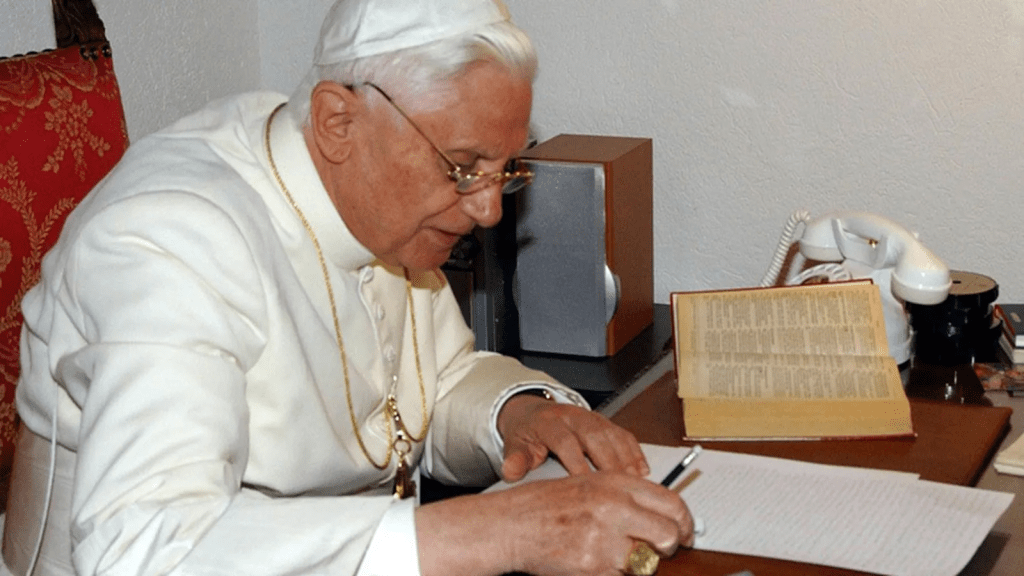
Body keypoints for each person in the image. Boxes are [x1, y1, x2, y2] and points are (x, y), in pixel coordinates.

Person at [1, 0, 695, 574]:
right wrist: (497, 531)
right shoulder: (168, 239)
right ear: (338, 121)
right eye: (462, 167)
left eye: (504, 170)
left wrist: (516, 413)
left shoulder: (373, 201)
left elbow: (418, 392)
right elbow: (145, 551)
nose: (488, 210)